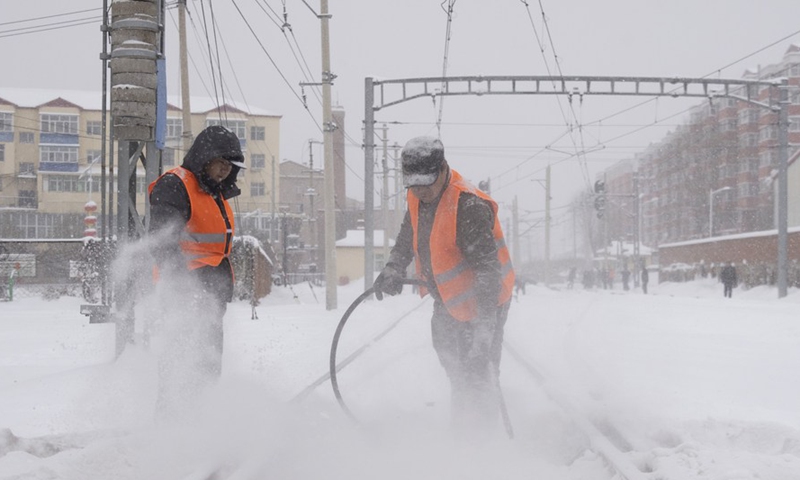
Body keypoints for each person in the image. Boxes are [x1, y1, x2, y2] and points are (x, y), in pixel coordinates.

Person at [373, 136, 515, 432]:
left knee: (479, 369)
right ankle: (463, 421)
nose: (421, 191)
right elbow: (405, 236)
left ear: (442, 171)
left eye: (426, 183)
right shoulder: (417, 195)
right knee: (451, 359)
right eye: (414, 184)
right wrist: (393, 267)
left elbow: (489, 271)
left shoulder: (468, 206)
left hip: (487, 298)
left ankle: (483, 438)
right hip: (449, 299)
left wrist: (484, 329)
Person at [148, 125, 245, 380]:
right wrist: (182, 286)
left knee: (207, 364)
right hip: (184, 292)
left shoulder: (213, 192)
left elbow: (213, 248)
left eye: (231, 164)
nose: (226, 169)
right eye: (221, 162)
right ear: (205, 156)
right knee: (181, 363)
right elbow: (162, 241)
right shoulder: (176, 185)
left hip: (210, 293)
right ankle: (173, 417)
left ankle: (204, 414)